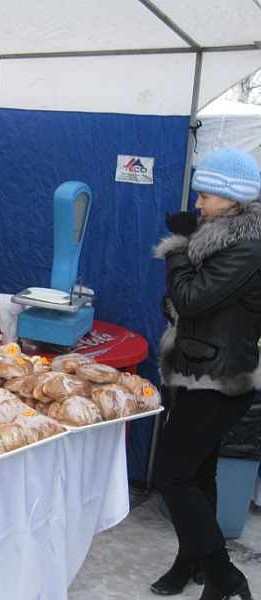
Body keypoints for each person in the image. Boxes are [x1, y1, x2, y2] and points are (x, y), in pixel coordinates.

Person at [151, 148, 261, 600]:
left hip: (220, 379)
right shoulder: (222, 238)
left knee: (171, 474)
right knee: (198, 474)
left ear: (232, 199)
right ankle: (190, 561)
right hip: (197, 369)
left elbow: (194, 299)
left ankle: (223, 573)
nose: (197, 203)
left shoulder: (249, 246)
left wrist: (178, 249)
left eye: (205, 194)